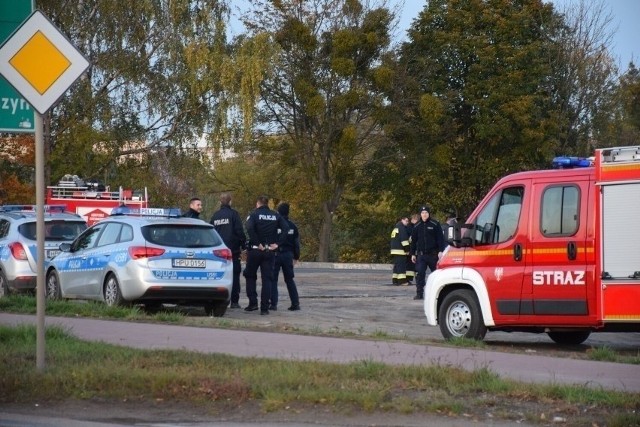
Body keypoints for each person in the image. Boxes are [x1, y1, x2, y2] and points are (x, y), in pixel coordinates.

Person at [243, 195, 289, 315]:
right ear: (267, 204)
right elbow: (286, 228)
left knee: (250, 276)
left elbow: (248, 227)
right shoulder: (275, 215)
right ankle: (264, 308)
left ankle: (253, 303)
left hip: (255, 250)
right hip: (270, 251)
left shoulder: (253, 215)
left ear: (257, 204)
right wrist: (278, 244)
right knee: (267, 279)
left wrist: (257, 243)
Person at [210, 192, 247, 309]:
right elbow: (239, 231)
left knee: (218, 276)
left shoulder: (215, 216)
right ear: (230, 201)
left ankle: (218, 300)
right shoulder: (234, 214)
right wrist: (244, 245)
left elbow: (211, 233)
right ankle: (234, 302)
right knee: (235, 276)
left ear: (220, 202)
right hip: (233, 251)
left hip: (218, 252)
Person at [409, 206, 446, 300]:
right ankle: (419, 293)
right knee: (420, 274)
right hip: (421, 255)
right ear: (420, 214)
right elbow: (413, 241)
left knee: (436, 274)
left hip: (433, 255)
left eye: (426, 213)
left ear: (429, 214)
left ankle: (440, 294)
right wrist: (412, 254)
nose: (424, 214)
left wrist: (441, 251)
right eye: (422, 213)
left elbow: (440, 239)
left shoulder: (435, 224)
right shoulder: (417, 226)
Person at [270, 202, 301, 311]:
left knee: (273, 279)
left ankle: (273, 304)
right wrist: (296, 257)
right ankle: (295, 303)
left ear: (278, 212)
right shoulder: (292, 226)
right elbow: (296, 244)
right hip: (288, 255)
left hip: (276, 254)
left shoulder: (275, 224)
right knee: (289, 279)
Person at [389, 215, 410, 286]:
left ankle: (395, 280)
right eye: (406, 221)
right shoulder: (402, 228)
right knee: (401, 266)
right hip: (400, 250)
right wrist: (407, 249)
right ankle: (402, 281)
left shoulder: (396, 227)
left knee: (397, 266)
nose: (407, 223)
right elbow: (404, 240)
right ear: (402, 220)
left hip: (394, 250)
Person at [405, 213, 419, 285]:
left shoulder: (413, 226)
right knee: (410, 265)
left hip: (414, 248)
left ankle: (410, 279)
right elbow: (410, 238)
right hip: (411, 248)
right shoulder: (410, 227)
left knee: (413, 265)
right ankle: (408, 279)